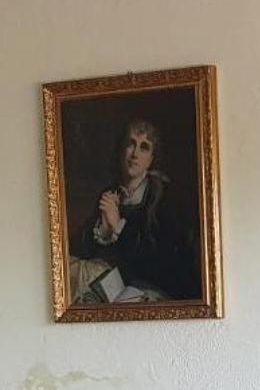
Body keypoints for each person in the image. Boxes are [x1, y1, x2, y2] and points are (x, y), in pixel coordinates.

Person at [71, 118, 199, 302]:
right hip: (114, 286)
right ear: (122, 150)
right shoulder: (111, 193)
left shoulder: (164, 197)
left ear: (151, 159)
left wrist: (118, 226)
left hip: (156, 289)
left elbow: (161, 262)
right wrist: (103, 229)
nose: (135, 154)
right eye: (131, 144)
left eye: (144, 147)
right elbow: (80, 249)